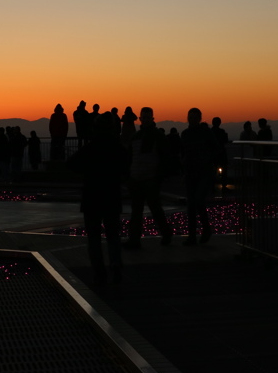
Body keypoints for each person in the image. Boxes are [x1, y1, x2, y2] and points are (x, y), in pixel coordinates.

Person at [67, 112, 127, 285]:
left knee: (94, 238)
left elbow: (71, 163)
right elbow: (127, 165)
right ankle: (115, 263)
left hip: (92, 196)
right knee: (113, 235)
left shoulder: (91, 147)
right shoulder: (117, 148)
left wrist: (86, 172)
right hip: (112, 196)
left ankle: (99, 271)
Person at [125, 107, 173, 249]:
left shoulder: (156, 136)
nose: (145, 120)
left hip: (150, 178)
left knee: (153, 208)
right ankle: (135, 239)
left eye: (147, 117)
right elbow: (130, 157)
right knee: (138, 210)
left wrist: (159, 175)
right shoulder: (137, 136)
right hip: (137, 178)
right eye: (143, 117)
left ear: (152, 118)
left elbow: (165, 157)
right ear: (140, 119)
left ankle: (164, 234)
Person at [180, 107, 216, 245]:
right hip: (190, 172)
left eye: (195, 117)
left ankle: (206, 229)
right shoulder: (185, 134)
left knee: (198, 201)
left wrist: (206, 159)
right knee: (191, 205)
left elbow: (215, 149)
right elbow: (184, 153)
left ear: (199, 118)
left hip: (204, 172)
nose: (193, 119)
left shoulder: (206, 132)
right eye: (191, 117)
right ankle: (192, 236)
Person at [211, 117, 229, 189]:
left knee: (213, 171)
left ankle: (212, 187)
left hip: (213, 154)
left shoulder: (210, 131)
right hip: (221, 153)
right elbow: (225, 140)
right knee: (224, 170)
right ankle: (224, 186)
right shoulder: (222, 131)